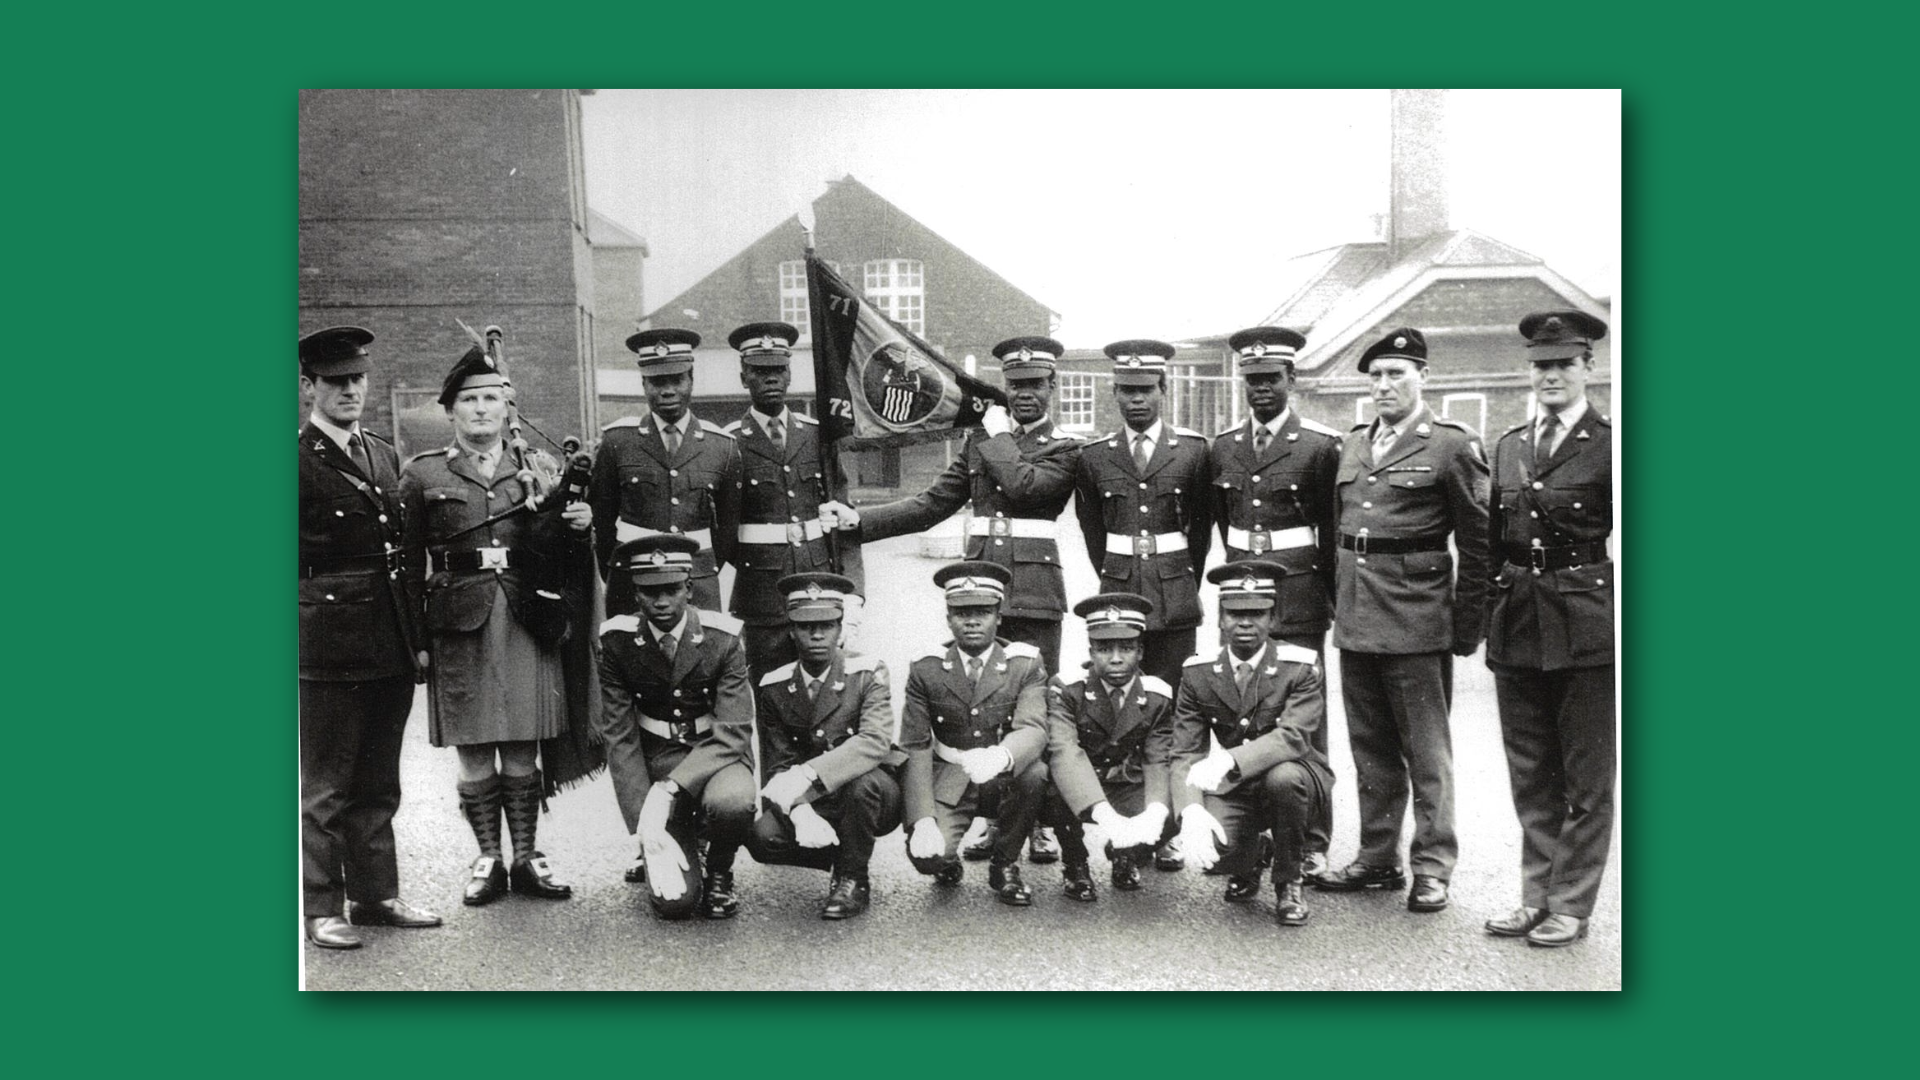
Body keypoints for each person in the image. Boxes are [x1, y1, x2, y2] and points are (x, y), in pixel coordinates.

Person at [855, 334, 1082, 866]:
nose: (1024, 394)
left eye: (1035, 385)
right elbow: (932, 504)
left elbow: (1025, 487)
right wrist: (860, 523)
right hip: (982, 593)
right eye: (1015, 385)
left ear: (1052, 387)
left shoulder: (1064, 447)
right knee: (983, 708)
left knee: (1035, 714)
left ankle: (1039, 825)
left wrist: (997, 433)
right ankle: (990, 818)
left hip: (1034, 593)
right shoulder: (982, 440)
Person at [400, 345, 588, 907]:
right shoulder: (422, 473)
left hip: (525, 613)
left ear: (507, 410)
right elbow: (409, 567)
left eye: (491, 399)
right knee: (475, 744)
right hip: (459, 620)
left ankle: (527, 856)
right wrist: (416, 642)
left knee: (522, 745)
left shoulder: (537, 468)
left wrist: (578, 525)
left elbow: (561, 549)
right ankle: (489, 857)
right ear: (451, 411)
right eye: (469, 400)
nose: (481, 410)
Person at [1315, 327, 1490, 914]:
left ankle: (1434, 866)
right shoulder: (1354, 444)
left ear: (1423, 378)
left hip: (1417, 622)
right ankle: (1376, 858)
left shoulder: (1450, 445)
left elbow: (1479, 541)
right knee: (1370, 748)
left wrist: (1466, 626)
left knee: (1427, 753)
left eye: (1397, 374)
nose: (1385, 385)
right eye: (1377, 376)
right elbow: (1335, 533)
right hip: (1358, 620)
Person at [297, 326, 441, 949]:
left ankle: (375, 895)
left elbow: (404, 557)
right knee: (327, 786)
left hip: (387, 639)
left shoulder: (382, 454)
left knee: (380, 780)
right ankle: (322, 908)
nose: (350, 390)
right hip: (327, 644)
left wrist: (416, 639)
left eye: (357, 379)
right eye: (336, 382)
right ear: (308, 387)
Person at [1483, 311, 1616, 948]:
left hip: (1589, 623)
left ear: (1589, 367)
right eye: (1541, 365)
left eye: (1564, 364)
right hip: (1519, 620)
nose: (1551, 376)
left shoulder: (1612, 445)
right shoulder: (1509, 444)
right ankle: (1536, 896)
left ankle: (1571, 902)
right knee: (1531, 772)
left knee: (1587, 779)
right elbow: (1490, 544)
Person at [1073, 338, 1212, 871]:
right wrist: (1117, 582)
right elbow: (1093, 530)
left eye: (1146, 390)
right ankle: (1125, 827)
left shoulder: (1194, 452)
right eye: (1126, 391)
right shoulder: (1095, 456)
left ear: (1163, 389)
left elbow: (1200, 530)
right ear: (1113, 393)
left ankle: (1168, 828)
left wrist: (1178, 580)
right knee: (1118, 716)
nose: (1136, 400)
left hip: (1176, 601)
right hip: (1119, 596)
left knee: (1172, 716)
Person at [1211, 326, 1343, 880]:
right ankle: (1243, 837)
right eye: (1253, 379)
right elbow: (1221, 523)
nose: (1261, 389)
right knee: (1241, 710)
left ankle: (1311, 841)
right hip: (1244, 599)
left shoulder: (1318, 445)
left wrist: (1330, 602)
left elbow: (1332, 533)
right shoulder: (1224, 447)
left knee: (1305, 723)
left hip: (1299, 595)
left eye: (1271, 379)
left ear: (1292, 378)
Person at [596, 534, 757, 919]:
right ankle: (677, 841)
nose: (662, 601)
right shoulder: (617, 642)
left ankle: (719, 870)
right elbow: (620, 736)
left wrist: (670, 789)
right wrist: (643, 825)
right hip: (657, 758)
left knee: (733, 802)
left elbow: (733, 731)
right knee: (676, 904)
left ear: (689, 587)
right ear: (635, 594)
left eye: (671, 589)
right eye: (649, 592)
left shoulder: (722, 638)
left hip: (715, 753)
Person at [1171, 562, 1332, 926]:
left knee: (1283, 779)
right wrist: (1191, 810)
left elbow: (1293, 737)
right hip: (1239, 785)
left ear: (1274, 619)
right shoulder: (1198, 672)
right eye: (1235, 613)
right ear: (1220, 619)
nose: (1246, 623)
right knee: (1214, 848)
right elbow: (1185, 751)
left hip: (1297, 775)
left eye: (1257, 614)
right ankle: (1252, 856)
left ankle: (1290, 880)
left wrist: (1228, 760)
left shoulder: (1301, 665)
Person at [745, 572, 903, 920]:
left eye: (827, 625)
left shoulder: (867, 672)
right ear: (791, 630)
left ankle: (853, 877)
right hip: (816, 798)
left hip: (872, 792)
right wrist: (799, 810)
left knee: (860, 786)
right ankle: (841, 850)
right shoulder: (774, 685)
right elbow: (778, 763)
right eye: (805, 626)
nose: (817, 635)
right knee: (763, 838)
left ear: (840, 627)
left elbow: (874, 742)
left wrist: (808, 774)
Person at [898, 561, 1051, 906]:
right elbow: (915, 746)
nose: (971, 621)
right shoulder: (926, 668)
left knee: (1036, 773)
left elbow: (1033, 727)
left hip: (1002, 772)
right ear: (948, 617)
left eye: (982, 611)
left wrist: (1000, 756)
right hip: (951, 773)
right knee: (927, 857)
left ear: (999, 617)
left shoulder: (1024, 663)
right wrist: (921, 820)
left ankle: (1006, 863)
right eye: (961, 612)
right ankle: (947, 860)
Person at [720, 322, 864, 679]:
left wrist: (854, 592)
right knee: (772, 699)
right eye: (760, 371)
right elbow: (722, 532)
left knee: (828, 698)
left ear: (789, 375)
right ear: (743, 377)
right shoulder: (728, 444)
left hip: (820, 588)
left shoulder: (817, 436)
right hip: (762, 600)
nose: (770, 379)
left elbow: (845, 521)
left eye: (778, 370)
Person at [589, 328, 742, 618]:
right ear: (643, 384)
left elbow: (728, 529)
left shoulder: (721, 446)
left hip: (696, 581)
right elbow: (603, 521)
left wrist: (701, 569)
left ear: (691, 380)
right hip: (633, 581)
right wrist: (620, 570)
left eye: (676, 380)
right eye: (657, 382)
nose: (668, 390)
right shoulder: (618, 441)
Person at [1035, 593, 1178, 900]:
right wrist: (1104, 814)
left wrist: (1154, 811)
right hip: (1082, 782)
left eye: (1126, 647)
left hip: (1126, 783)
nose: (1115, 657)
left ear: (1140, 652)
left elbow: (1157, 760)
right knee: (1052, 784)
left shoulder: (1156, 696)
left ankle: (1127, 854)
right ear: (1091, 650)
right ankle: (1075, 864)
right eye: (1104, 648)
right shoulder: (1067, 689)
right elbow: (1065, 750)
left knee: (1173, 801)